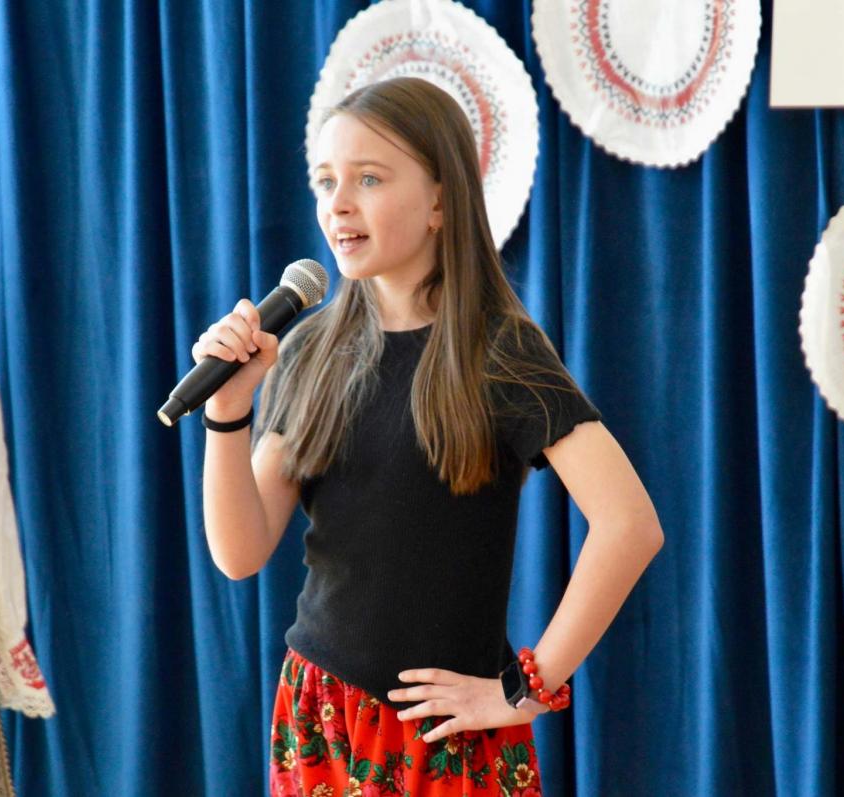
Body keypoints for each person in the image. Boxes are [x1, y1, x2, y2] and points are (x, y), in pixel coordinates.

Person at [194, 77, 663, 797]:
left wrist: (522, 689)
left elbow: (629, 524)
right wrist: (228, 411)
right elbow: (240, 551)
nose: (338, 203)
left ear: (441, 201)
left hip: (440, 735)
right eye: (325, 181)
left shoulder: (497, 350)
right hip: (321, 716)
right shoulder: (310, 349)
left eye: (369, 178)